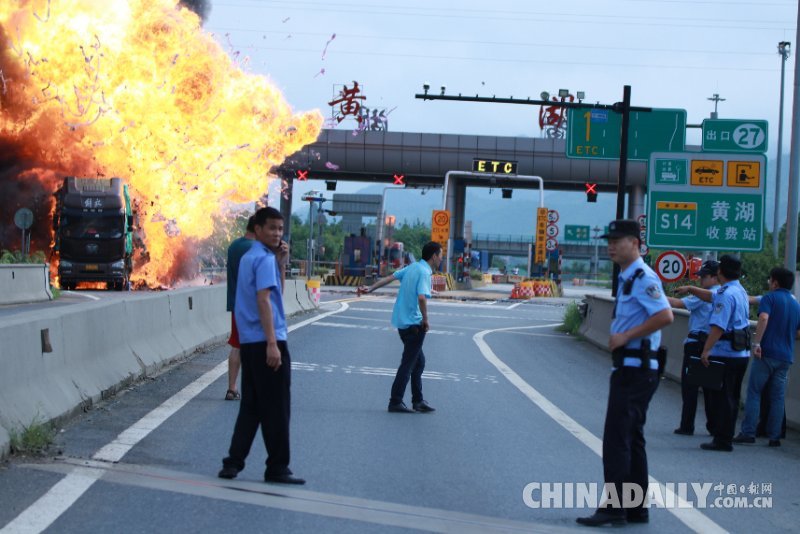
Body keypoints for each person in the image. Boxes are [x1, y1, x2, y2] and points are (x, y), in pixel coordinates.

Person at [577, 220, 673, 527]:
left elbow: (665, 315)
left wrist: (626, 335)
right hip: (633, 367)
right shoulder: (628, 276)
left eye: (617, 240)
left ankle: (614, 508)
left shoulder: (643, 277)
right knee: (632, 437)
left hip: (636, 368)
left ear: (634, 242)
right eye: (610, 239)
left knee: (617, 438)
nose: (611, 245)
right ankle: (635, 508)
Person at [218, 207, 304, 485]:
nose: (277, 233)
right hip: (269, 340)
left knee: (252, 407)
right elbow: (265, 301)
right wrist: (272, 344)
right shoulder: (263, 259)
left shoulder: (251, 257)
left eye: (280, 229)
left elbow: (274, 292)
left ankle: (232, 463)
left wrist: (281, 262)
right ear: (257, 229)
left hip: (249, 342)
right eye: (271, 228)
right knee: (278, 407)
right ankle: (277, 467)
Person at [357, 242, 442, 414]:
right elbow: (421, 298)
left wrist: (371, 288)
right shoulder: (425, 272)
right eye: (440, 255)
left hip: (403, 324)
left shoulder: (412, 268)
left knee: (418, 362)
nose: (441, 258)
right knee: (408, 364)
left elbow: (390, 278)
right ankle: (395, 401)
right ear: (434, 256)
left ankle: (418, 401)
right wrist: (426, 320)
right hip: (415, 324)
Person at [679, 255, 750, 452]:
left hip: (726, 353)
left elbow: (718, 325)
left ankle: (722, 439)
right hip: (741, 353)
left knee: (722, 397)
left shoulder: (726, 294)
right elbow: (711, 296)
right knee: (732, 397)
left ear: (720, 272)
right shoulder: (739, 291)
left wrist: (707, 349)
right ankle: (725, 435)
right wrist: (692, 289)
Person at [733, 267, 800, 447]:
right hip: (786, 356)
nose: (769, 282)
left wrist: (757, 343)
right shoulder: (795, 304)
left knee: (754, 392)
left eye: (770, 279)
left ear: (775, 282)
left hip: (767, 353)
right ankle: (775, 436)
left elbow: (763, 318)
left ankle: (748, 432)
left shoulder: (770, 298)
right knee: (778, 397)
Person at [666, 260, 719, 436]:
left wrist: (653, 295)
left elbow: (677, 304)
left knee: (690, 387)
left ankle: (687, 425)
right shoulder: (724, 294)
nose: (701, 280)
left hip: (696, 343)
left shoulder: (703, 296)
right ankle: (713, 426)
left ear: (715, 277)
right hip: (714, 344)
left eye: (704, 276)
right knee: (711, 388)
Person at [224, 216, 256, 400]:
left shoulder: (234, 246)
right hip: (253, 306)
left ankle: (232, 387)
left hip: (236, 304)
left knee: (237, 346)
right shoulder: (255, 249)